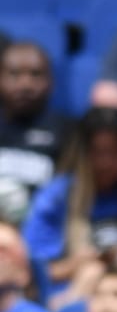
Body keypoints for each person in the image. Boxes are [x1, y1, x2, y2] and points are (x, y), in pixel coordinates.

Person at [0, 38, 69, 230]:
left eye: (36, 74)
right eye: (14, 74)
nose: (25, 84)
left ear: (51, 82)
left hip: (44, 230)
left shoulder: (68, 132)